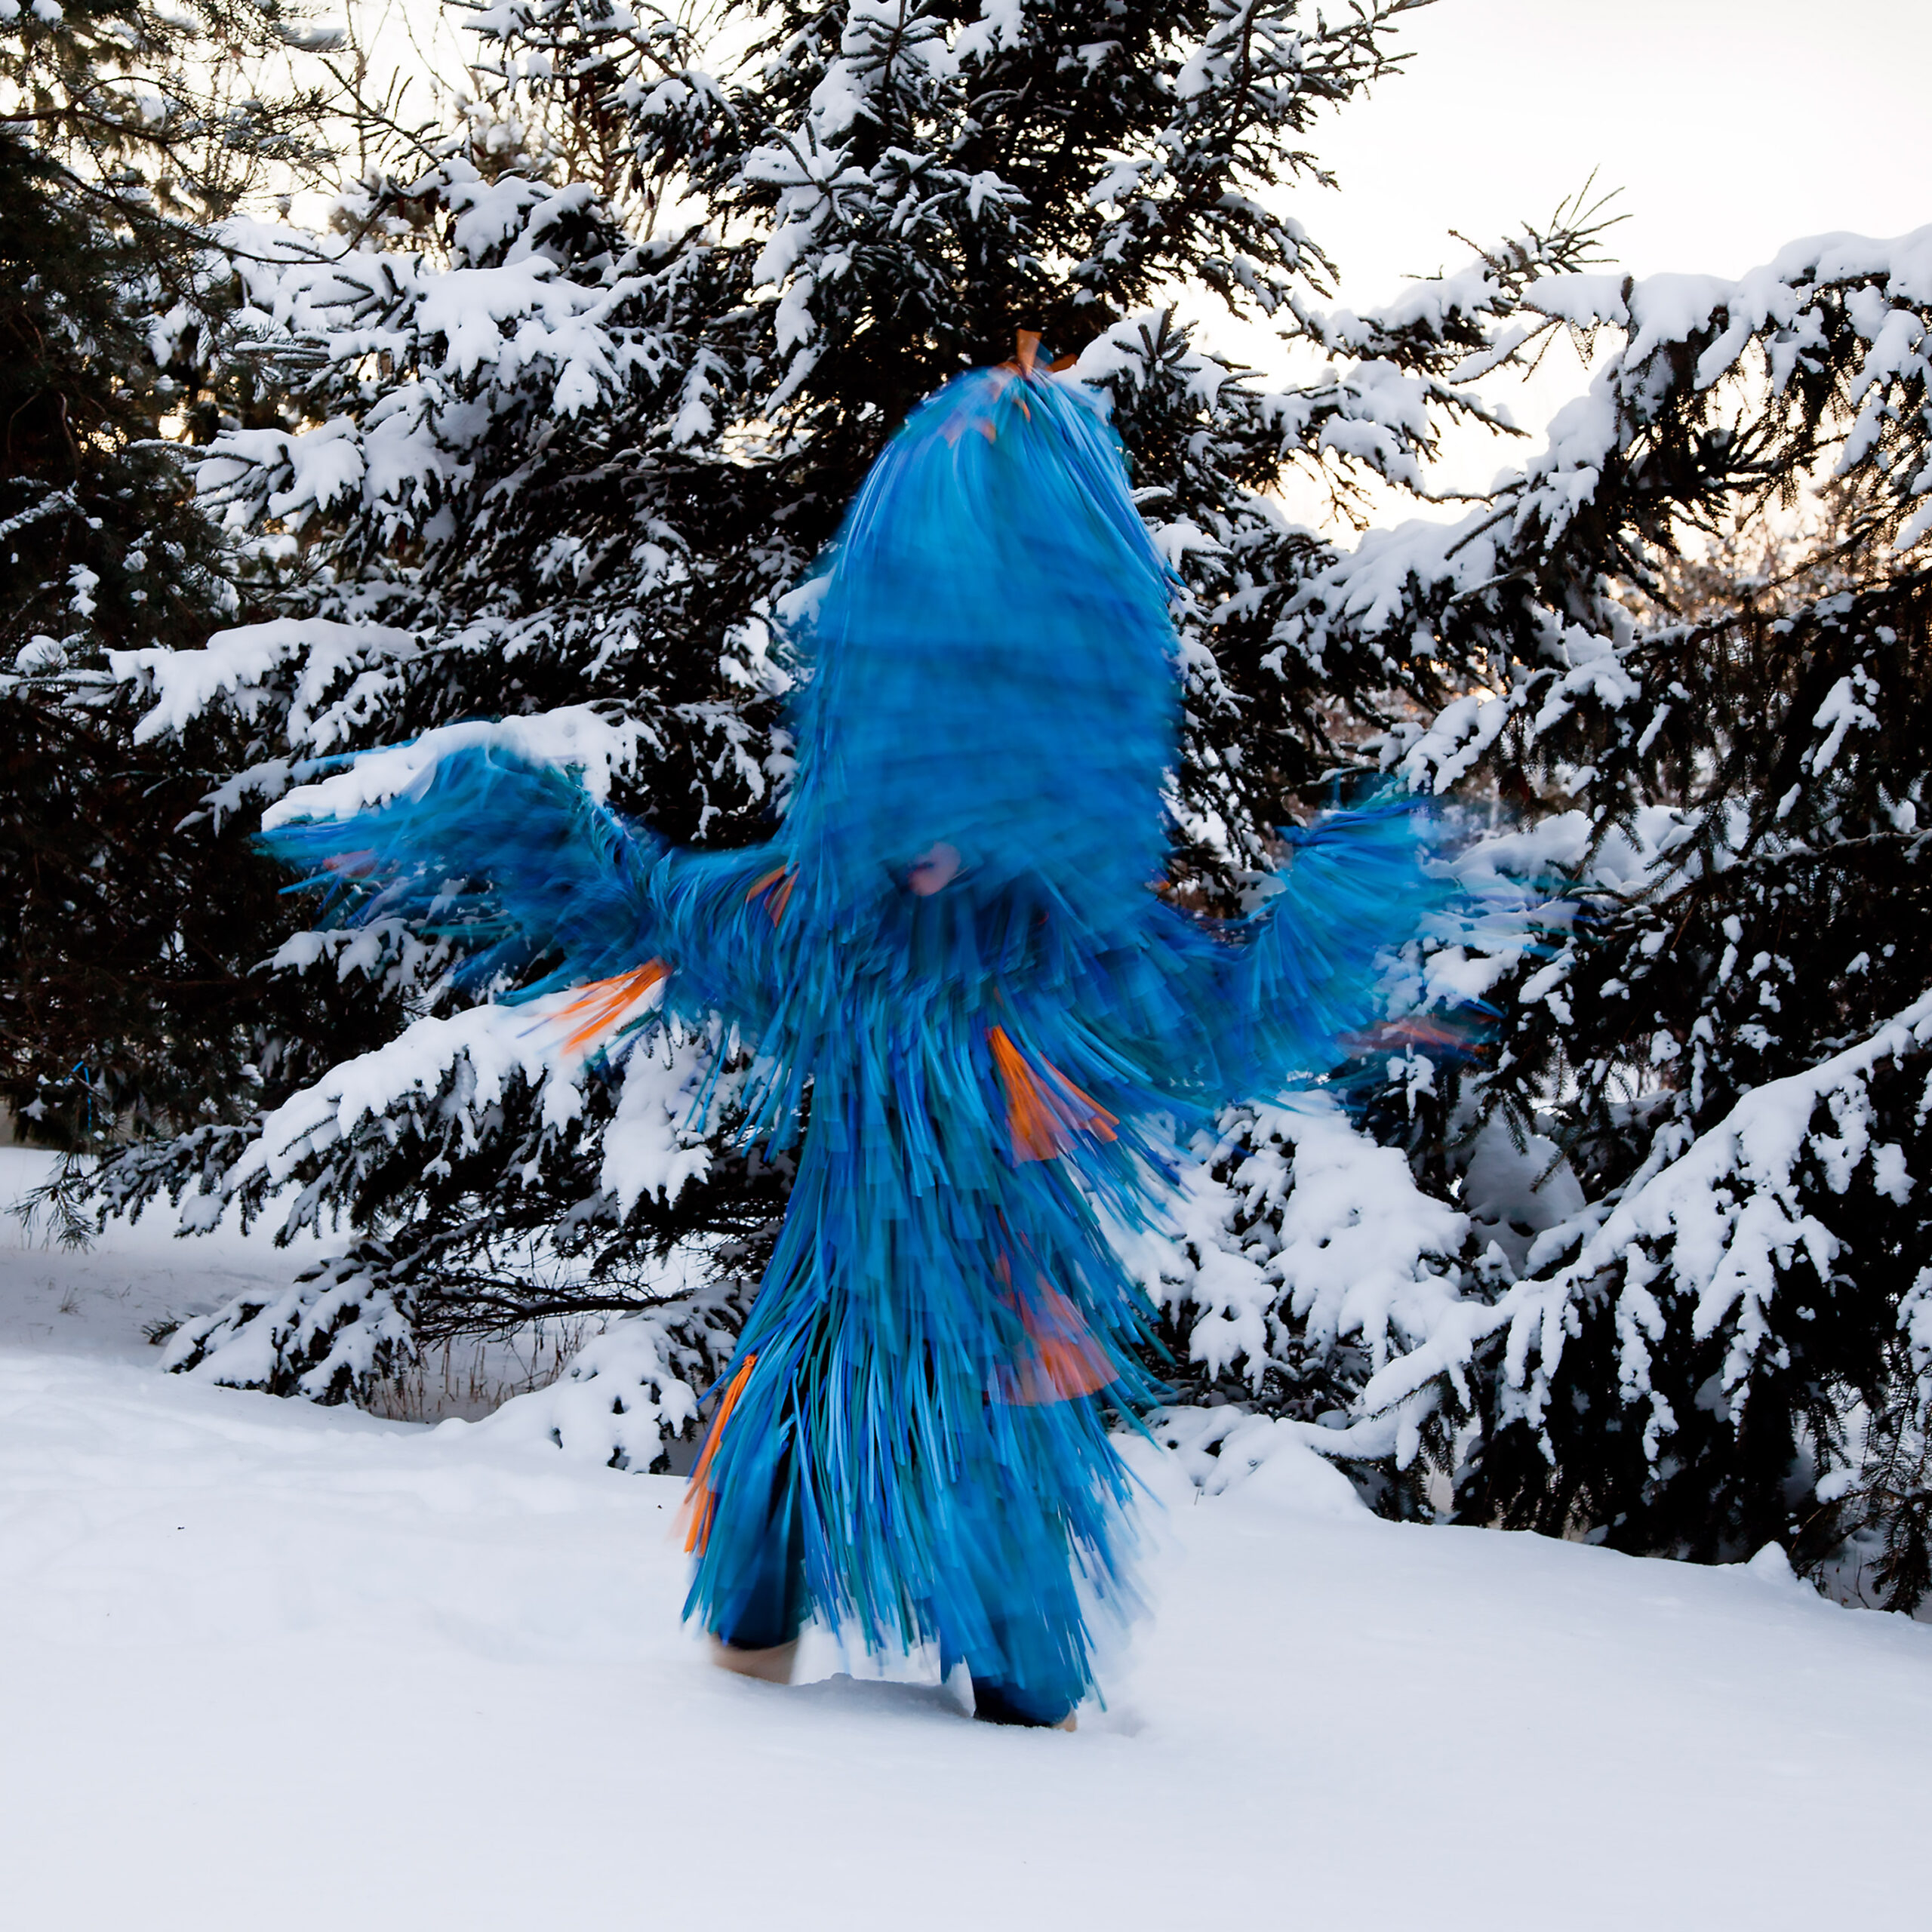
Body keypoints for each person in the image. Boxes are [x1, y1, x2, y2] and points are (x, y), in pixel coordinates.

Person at [266, 339, 1446, 1728]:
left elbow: (1244, 1022)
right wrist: (514, 819)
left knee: (1019, 1654)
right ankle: (744, 1763)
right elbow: (644, 899)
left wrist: (1340, 909)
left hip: (1011, 1346)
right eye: (909, 800)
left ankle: (1021, 1794)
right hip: (827, 1324)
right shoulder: (818, 927)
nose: (931, 849)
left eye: (974, 804)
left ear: (1040, 782)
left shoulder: (1091, 967)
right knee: (755, 1565)